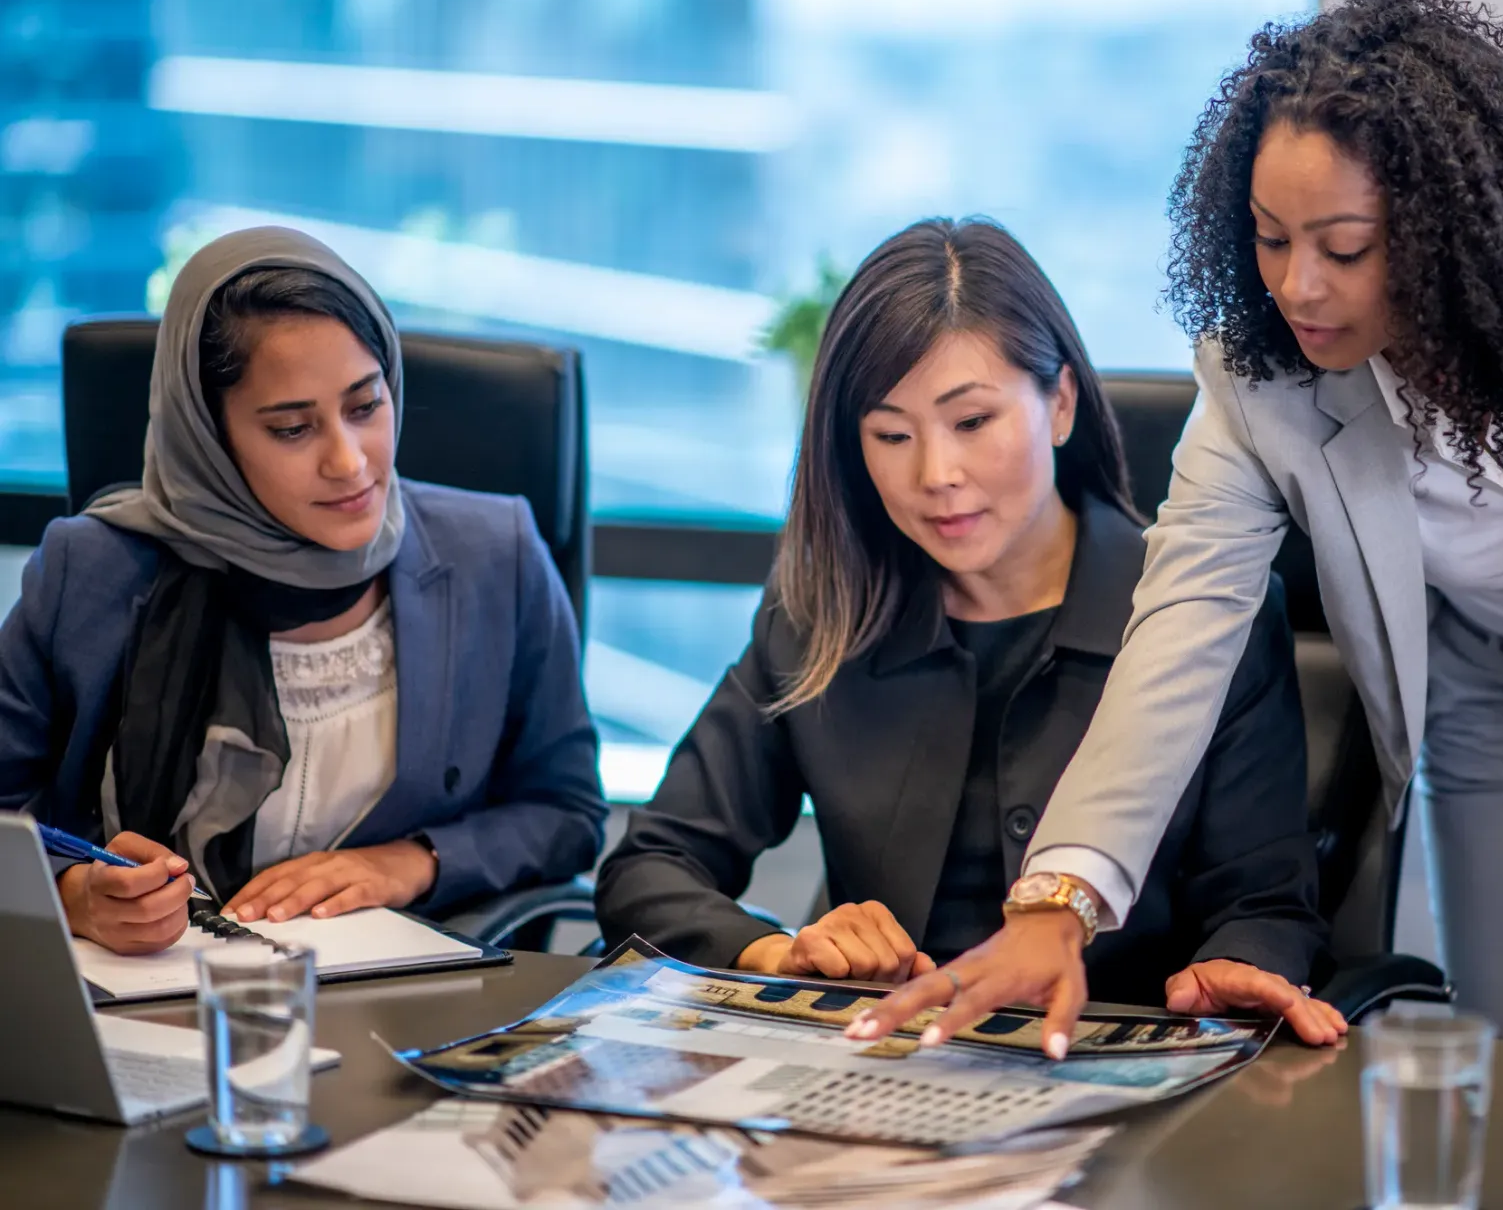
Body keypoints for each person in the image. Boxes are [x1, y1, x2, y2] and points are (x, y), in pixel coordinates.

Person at [853, 0, 1503, 1057]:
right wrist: (1059, 897)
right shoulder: (1258, 375)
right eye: (1268, 239)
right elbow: (1183, 621)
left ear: (1450, 228)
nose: (1297, 287)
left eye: (1344, 248)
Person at [594, 217, 1345, 1048]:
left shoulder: (1198, 612)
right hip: (875, 1076)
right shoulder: (820, 617)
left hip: (1111, 1071)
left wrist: (1232, 969)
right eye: (891, 435)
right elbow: (651, 866)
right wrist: (781, 953)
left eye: (972, 421)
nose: (935, 476)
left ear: (1059, 403)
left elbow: (1264, 904)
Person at [0, 226, 606, 956]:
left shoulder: (495, 554)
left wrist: (413, 862)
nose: (350, 463)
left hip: (400, 999)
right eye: (292, 428)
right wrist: (75, 896)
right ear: (210, 438)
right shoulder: (91, 569)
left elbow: (565, 810)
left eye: (365, 406)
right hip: (142, 999)